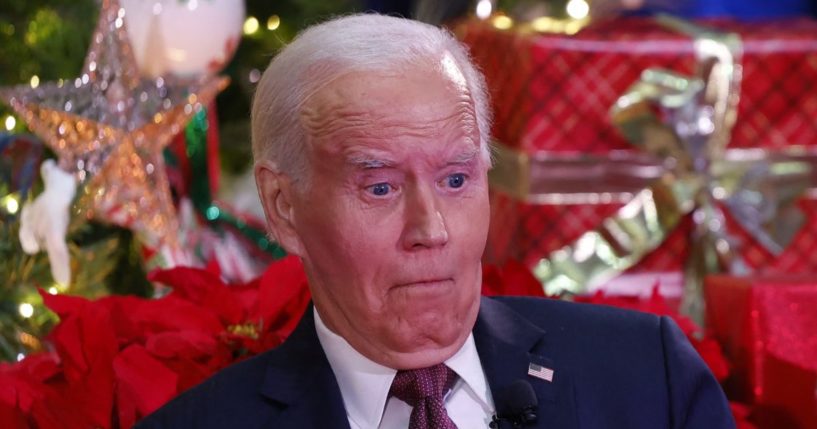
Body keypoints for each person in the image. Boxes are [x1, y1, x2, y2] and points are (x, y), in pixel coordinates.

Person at [136, 14, 735, 429]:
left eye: (456, 179)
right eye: (380, 187)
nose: (433, 228)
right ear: (283, 206)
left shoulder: (647, 377)